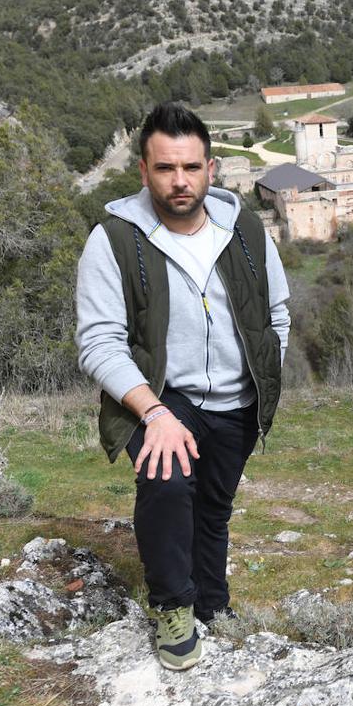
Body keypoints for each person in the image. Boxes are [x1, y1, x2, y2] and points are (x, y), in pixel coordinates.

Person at [76, 102, 290, 670]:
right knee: (167, 484)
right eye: (165, 168)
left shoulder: (244, 229)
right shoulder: (115, 240)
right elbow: (99, 342)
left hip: (238, 399)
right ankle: (173, 608)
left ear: (210, 169)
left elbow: (277, 312)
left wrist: (266, 371)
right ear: (143, 171)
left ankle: (212, 606)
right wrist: (154, 414)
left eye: (191, 167)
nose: (179, 181)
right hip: (162, 394)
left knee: (213, 510)